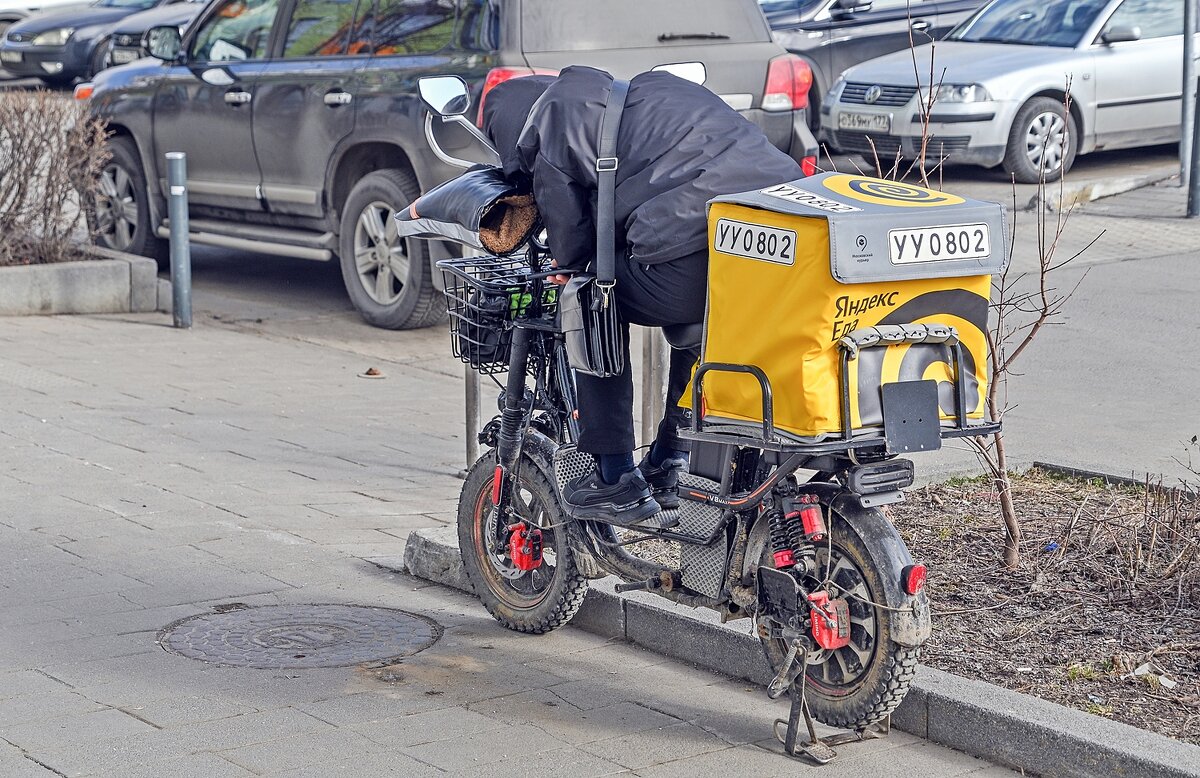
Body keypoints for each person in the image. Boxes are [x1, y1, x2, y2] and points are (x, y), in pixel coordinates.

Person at [481, 65, 803, 527]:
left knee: (588, 299)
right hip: (775, 234)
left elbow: (572, 243)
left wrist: (568, 267)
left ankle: (616, 479)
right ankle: (673, 457)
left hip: (694, 248)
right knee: (702, 319)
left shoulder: (551, 123)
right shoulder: (646, 90)